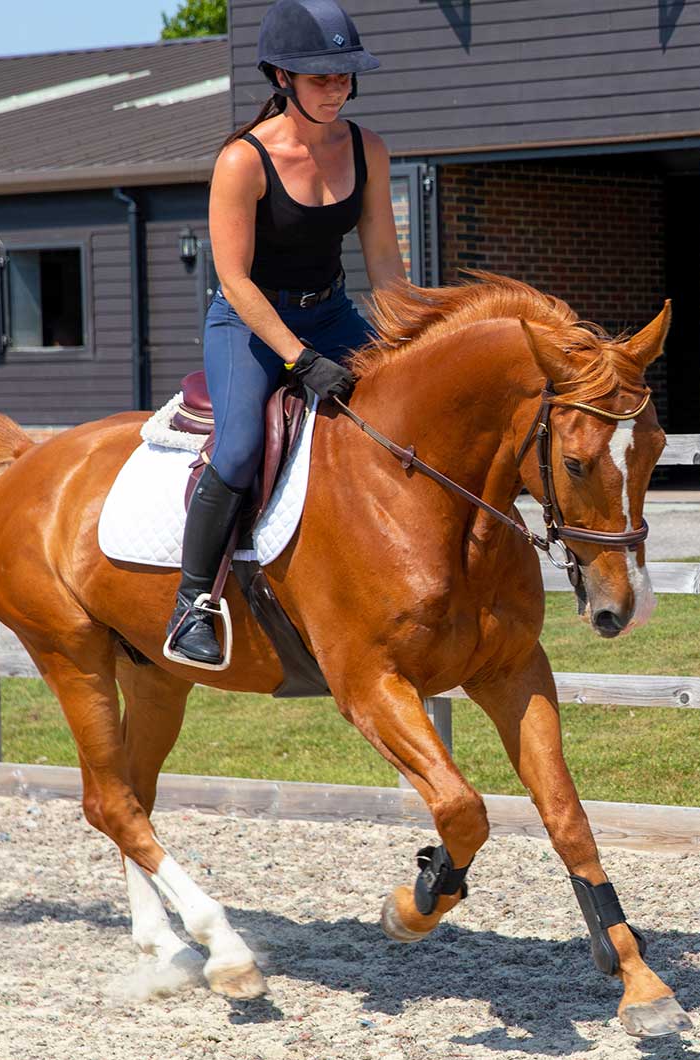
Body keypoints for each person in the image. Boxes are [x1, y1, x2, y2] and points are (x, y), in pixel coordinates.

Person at [166, 0, 408, 667]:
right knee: (241, 446)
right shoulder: (242, 161)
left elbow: (386, 265)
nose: (337, 89)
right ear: (281, 77)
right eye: (321, 77)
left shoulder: (369, 148)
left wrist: (409, 337)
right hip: (247, 321)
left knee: (405, 409)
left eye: (344, 76)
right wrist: (299, 359)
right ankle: (192, 604)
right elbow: (235, 280)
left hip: (332, 313)